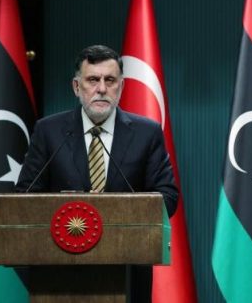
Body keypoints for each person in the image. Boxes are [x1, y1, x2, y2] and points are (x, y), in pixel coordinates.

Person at [15, 44, 178, 302]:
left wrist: (118, 215)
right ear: (76, 87)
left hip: (128, 273)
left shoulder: (147, 133)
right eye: (93, 80)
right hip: (59, 276)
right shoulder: (49, 132)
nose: (101, 89)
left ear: (121, 87)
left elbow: (168, 196)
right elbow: (25, 196)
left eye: (110, 80)